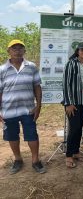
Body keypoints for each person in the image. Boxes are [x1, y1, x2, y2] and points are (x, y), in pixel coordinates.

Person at [0, 39, 46, 174]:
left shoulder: (31, 66)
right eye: (14, 48)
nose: (17, 51)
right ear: (8, 51)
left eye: (20, 48)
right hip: (8, 111)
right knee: (12, 136)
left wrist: (39, 106)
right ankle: (18, 159)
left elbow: (37, 87)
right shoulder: (2, 69)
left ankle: (35, 161)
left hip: (28, 109)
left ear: (24, 51)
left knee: (32, 135)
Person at [62, 42, 83, 168]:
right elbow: (65, 84)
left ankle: (76, 152)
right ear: (77, 51)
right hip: (74, 100)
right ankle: (68, 155)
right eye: (82, 50)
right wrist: (68, 103)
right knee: (74, 127)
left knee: (80, 126)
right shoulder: (72, 63)